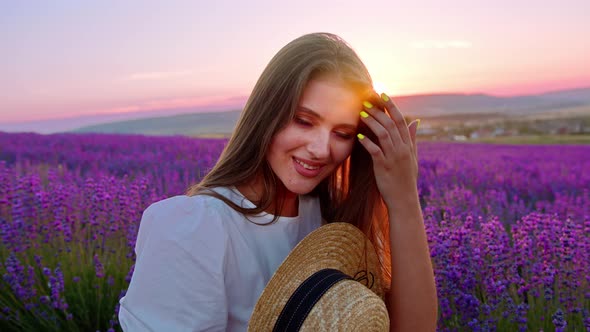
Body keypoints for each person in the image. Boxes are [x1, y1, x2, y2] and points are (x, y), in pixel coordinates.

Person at [118, 32, 437, 331]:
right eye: (304, 121)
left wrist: (404, 200)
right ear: (267, 112)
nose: (320, 149)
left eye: (342, 133)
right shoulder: (194, 228)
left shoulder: (337, 220)